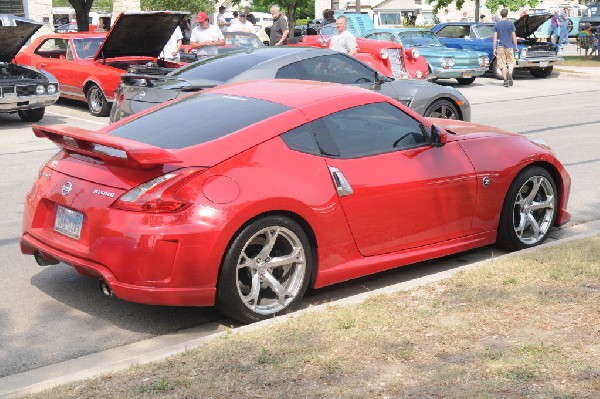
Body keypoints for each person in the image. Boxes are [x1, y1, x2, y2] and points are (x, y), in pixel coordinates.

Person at [493, 8, 518, 87]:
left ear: (501, 15)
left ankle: (505, 80)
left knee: (502, 64)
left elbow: (495, 38)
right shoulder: (511, 24)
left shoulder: (497, 24)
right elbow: (514, 37)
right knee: (511, 62)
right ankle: (510, 74)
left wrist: (494, 48)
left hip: (500, 46)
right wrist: (516, 46)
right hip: (509, 46)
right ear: (507, 14)